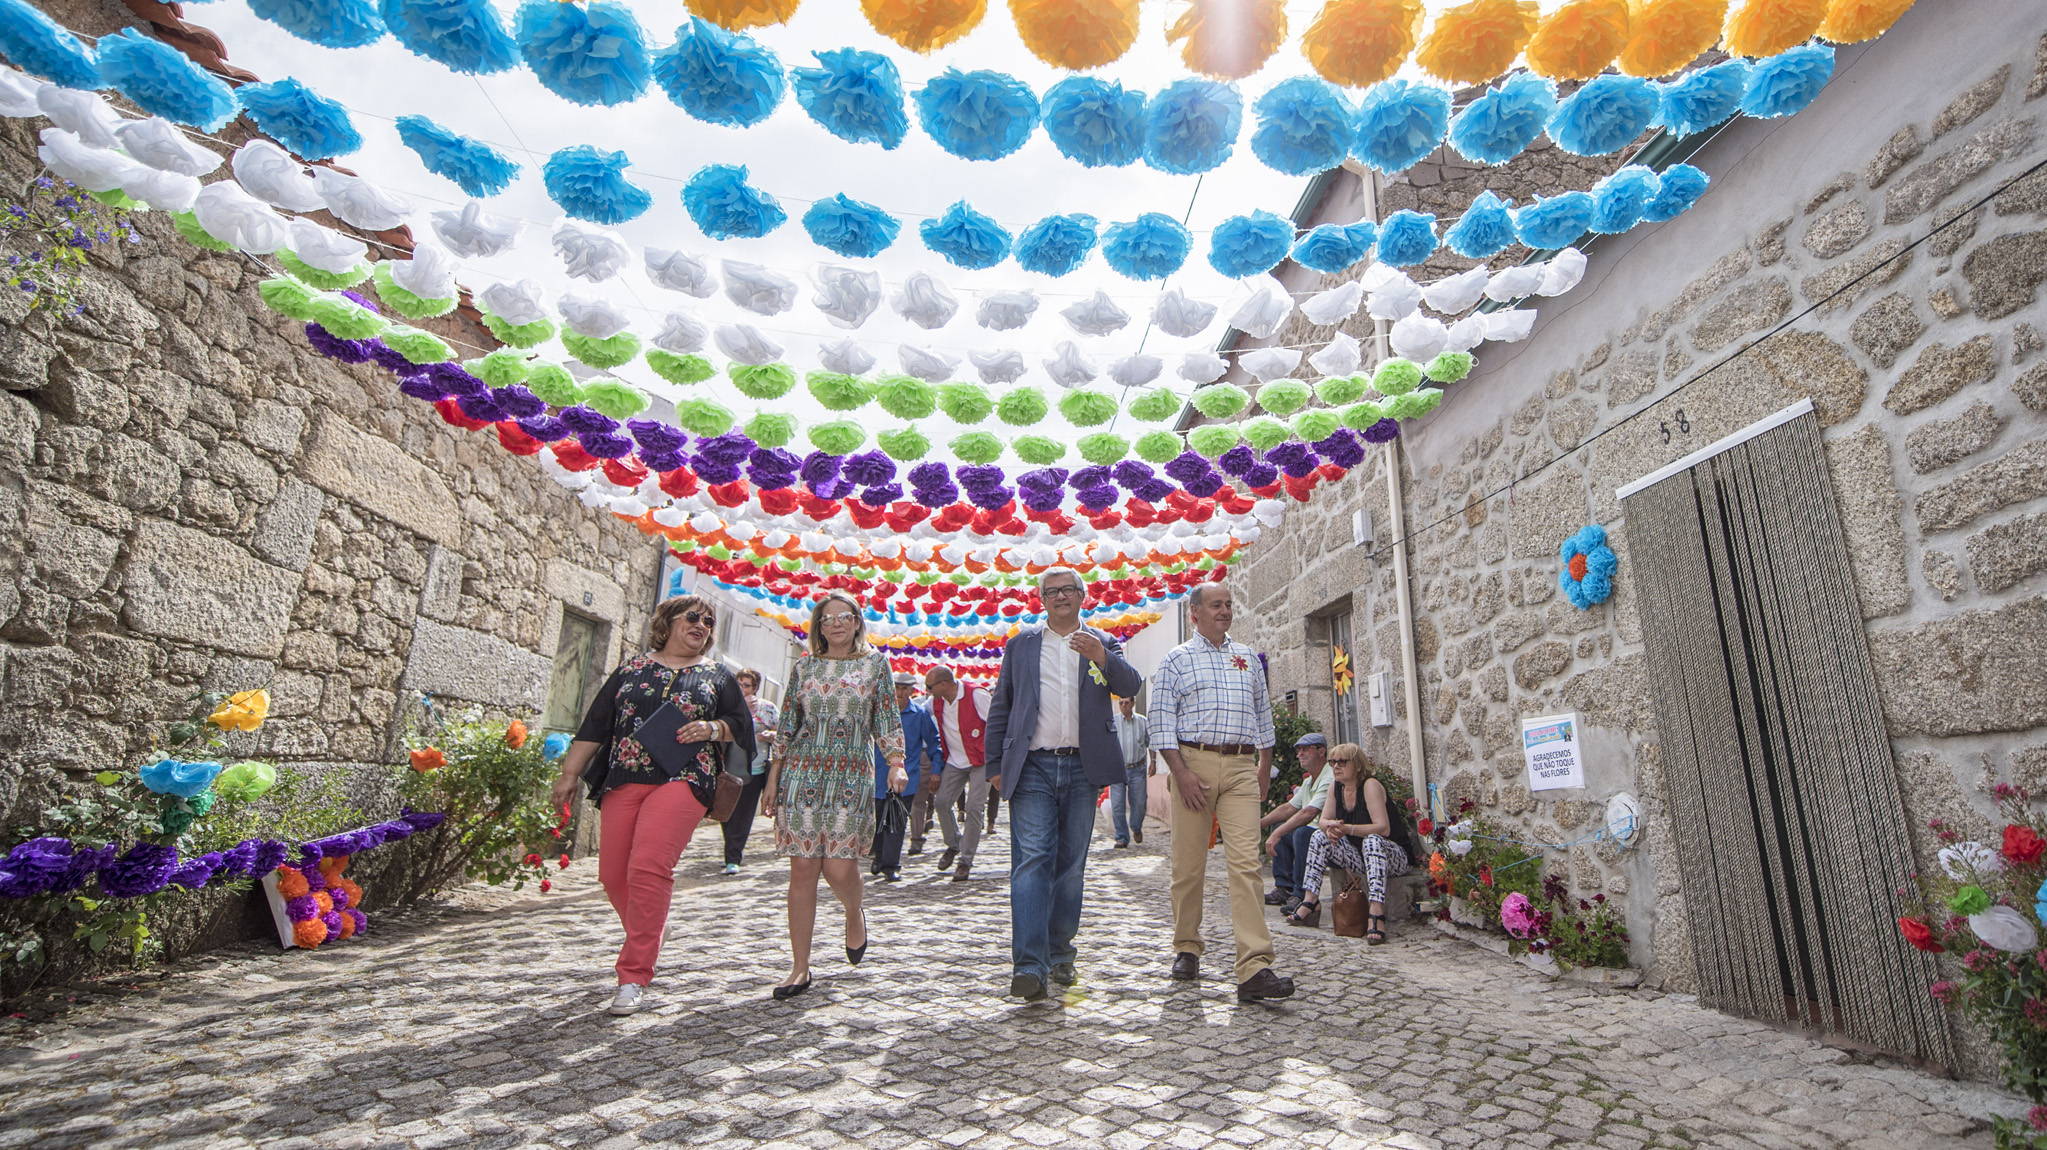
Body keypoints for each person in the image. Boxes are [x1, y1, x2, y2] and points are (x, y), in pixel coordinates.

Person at [550, 594, 756, 1016]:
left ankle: (632, 974)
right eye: (693, 617)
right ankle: (648, 932)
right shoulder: (632, 669)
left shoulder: (716, 675)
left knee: (648, 867)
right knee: (612, 875)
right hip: (625, 775)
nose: (702, 625)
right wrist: (569, 774)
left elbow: (741, 725)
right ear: (668, 622)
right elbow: (596, 725)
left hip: (685, 777)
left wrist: (711, 727)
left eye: (709, 622)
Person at [983, 567, 1141, 1001]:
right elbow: (1002, 706)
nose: (1059, 597)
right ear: (1041, 599)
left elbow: (1131, 686)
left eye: (1068, 590)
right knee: (1032, 861)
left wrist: (1103, 657)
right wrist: (995, 766)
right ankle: (1029, 967)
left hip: (1082, 768)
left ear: (1082, 595)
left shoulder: (1103, 642)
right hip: (1032, 766)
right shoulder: (1021, 645)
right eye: (1050, 592)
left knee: (1070, 869)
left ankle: (1060, 954)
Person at [1151, 582, 1296, 1003]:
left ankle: (1254, 967)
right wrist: (1181, 773)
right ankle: (1186, 947)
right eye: (1216, 605)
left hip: (1240, 767)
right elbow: (1161, 725)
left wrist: (1265, 766)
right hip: (1193, 766)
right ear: (1194, 612)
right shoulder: (1176, 660)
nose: (1225, 611)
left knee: (1247, 865)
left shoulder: (1247, 657)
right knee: (1189, 864)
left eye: (1229, 604)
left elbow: (1263, 714)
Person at [763, 592, 906, 999]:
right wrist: (774, 777)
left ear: (858, 622)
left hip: (851, 773)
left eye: (845, 617)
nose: (836, 624)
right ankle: (799, 967)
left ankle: (852, 912)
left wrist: (895, 760)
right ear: (818, 627)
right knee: (803, 870)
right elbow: (788, 723)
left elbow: (885, 717)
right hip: (801, 773)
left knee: (840, 870)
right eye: (828, 619)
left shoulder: (875, 665)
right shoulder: (804, 666)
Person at [1284, 743, 1416, 944]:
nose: (1336, 767)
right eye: (1333, 762)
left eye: (1342, 762)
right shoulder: (1335, 787)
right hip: (1359, 855)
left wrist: (1348, 829)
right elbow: (1322, 821)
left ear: (1358, 766)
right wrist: (1332, 827)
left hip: (1392, 856)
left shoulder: (1370, 785)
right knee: (1319, 837)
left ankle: (1376, 911)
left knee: (1372, 841)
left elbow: (1383, 828)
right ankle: (1310, 901)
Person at [923, 665, 991, 881]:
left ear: (944, 684)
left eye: (929, 686)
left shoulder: (976, 695)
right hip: (955, 759)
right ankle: (953, 844)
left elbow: (998, 723)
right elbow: (918, 712)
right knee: (941, 802)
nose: (927, 690)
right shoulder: (936, 702)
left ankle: (965, 861)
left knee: (973, 808)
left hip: (982, 759)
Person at [872, 673, 941, 882]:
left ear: (912, 691)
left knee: (895, 821)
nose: (900, 693)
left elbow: (934, 743)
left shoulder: (919, 715)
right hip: (877, 776)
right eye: (897, 688)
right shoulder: (880, 713)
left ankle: (890, 865)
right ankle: (879, 856)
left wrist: (936, 770)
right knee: (877, 821)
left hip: (905, 778)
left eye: (905, 689)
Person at [1261, 734, 1332, 910]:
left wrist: (1277, 834)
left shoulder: (1329, 777)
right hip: (1314, 833)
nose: (1300, 754)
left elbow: (1309, 812)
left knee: (1300, 833)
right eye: (1298, 751)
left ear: (1321, 751)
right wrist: (1256, 825)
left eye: (1305, 749)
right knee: (1281, 828)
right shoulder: (1309, 781)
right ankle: (1284, 888)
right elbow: (1288, 808)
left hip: (1331, 835)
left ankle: (1301, 894)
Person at [723, 668, 779, 875]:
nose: (742, 689)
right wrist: (742, 709)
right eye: (739, 684)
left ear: (755, 688)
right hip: (729, 767)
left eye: (746, 685)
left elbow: (781, 733)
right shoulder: (728, 706)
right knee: (726, 811)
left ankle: (733, 856)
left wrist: (770, 736)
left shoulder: (768, 708)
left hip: (755, 768)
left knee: (744, 814)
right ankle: (730, 849)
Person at [1108, 696, 1153, 848]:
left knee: (1139, 803)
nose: (1123, 705)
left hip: (1138, 769)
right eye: (1121, 703)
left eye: (1127, 702)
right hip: (1117, 769)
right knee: (1117, 805)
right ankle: (1121, 837)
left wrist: (1153, 762)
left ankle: (1136, 827)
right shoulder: (1113, 722)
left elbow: (1150, 743)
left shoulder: (1143, 722)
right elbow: (1106, 744)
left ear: (1133, 703)